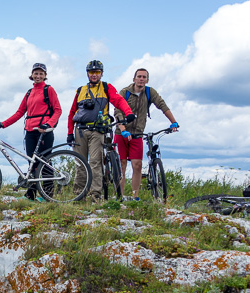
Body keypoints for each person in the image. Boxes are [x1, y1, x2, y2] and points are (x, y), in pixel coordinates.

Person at [0, 63, 62, 199]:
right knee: (32, 164)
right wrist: (1, 124)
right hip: (29, 131)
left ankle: (48, 195)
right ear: (32, 75)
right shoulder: (29, 92)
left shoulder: (49, 90)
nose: (38, 76)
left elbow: (58, 110)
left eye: (41, 73)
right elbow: (19, 113)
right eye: (36, 73)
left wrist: (48, 124)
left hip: (44, 131)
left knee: (45, 163)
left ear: (45, 76)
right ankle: (31, 194)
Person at [66, 60, 135, 201]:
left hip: (97, 131)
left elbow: (118, 100)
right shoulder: (80, 90)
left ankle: (95, 195)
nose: (94, 75)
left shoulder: (106, 87)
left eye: (97, 72)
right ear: (87, 74)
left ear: (101, 74)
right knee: (80, 163)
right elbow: (72, 112)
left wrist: (128, 112)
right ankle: (79, 195)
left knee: (95, 163)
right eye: (92, 72)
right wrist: (69, 132)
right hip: (80, 131)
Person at [114, 68, 179, 200]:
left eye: (144, 77)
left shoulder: (150, 92)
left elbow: (162, 105)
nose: (141, 79)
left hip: (137, 134)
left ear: (147, 80)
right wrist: (123, 129)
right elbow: (118, 111)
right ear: (134, 79)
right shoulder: (124, 92)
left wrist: (173, 122)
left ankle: (135, 196)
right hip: (122, 133)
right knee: (122, 165)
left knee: (137, 165)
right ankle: (119, 196)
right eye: (139, 76)